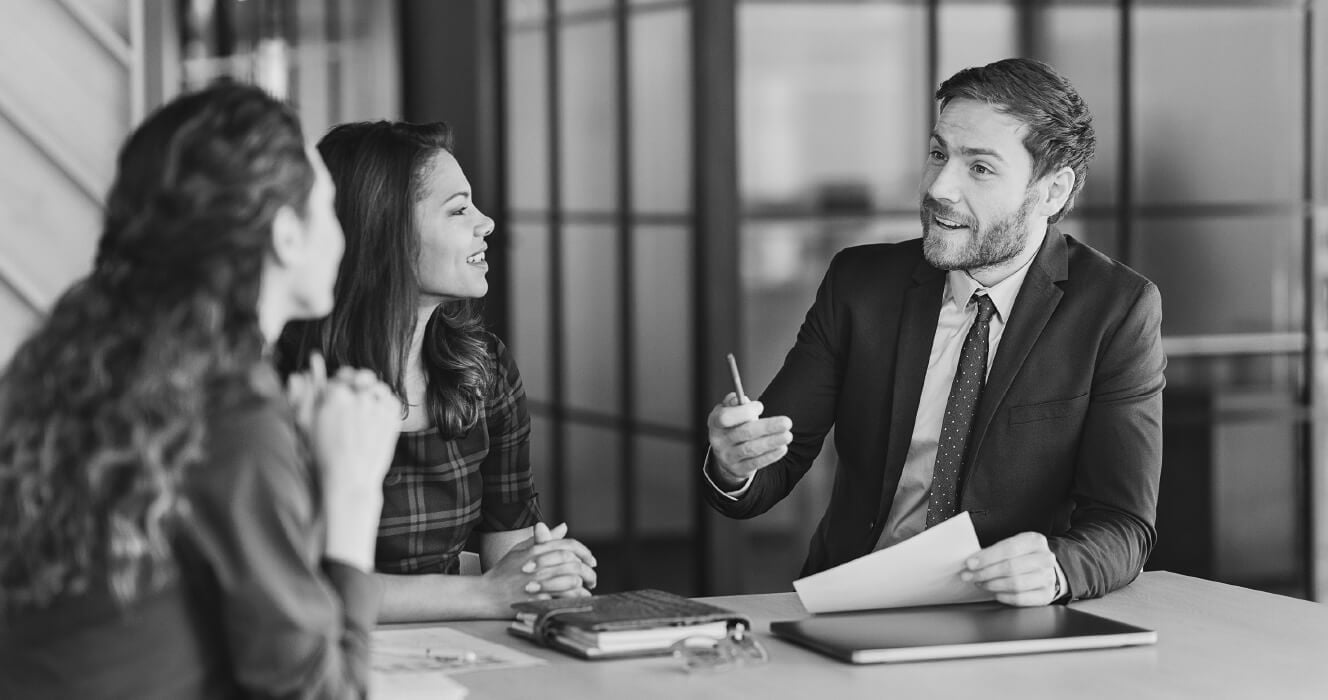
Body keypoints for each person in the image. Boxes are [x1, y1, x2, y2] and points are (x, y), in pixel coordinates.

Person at [704, 58, 1165, 606]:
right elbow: (773, 466)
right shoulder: (861, 284)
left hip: (1006, 617)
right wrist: (735, 464)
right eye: (939, 153)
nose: (940, 187)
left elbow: (1123, 524)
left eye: (981, 168)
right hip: (853, 602)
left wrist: (1057, 569)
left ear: (1051, 190)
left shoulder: (1116, 309)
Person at [0, 81, 403, 698]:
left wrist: (308, 496)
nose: (343, 236)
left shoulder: (68, 370)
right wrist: (354, 491)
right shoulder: (232, 410)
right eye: (329, 208)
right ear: (285, 235)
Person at [279, 120, 597, 622]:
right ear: (385, 231)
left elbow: (508, 549)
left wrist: (542, 570)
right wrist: (487, 595)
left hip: (456, 659)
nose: (486, 222)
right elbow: (295, 583)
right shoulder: (291, 379)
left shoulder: (485, 368)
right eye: (458, 209)